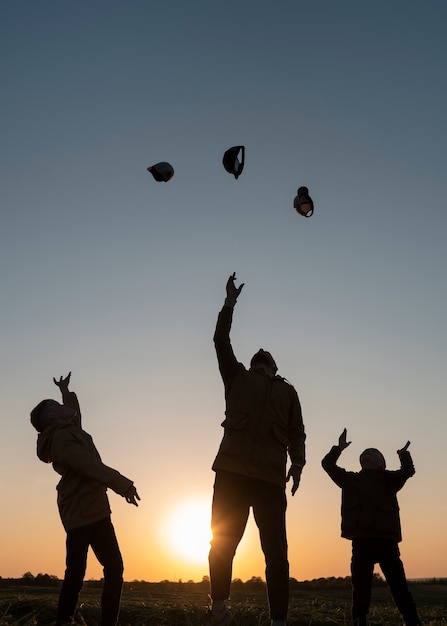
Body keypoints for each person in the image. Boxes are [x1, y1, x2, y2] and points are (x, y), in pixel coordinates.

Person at [204, 273, 306, 626]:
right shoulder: (237, 377)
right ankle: (219, 610)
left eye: (268, 360)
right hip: (231, 472)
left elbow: (297, 432)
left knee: (276, 554)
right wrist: (229, 303)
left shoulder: (288, 393)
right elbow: (220, 340)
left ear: (275, 368)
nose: (262, 360)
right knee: (223, 544)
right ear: (251, 364)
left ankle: (278, 620)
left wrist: (299, 463)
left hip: (269, 479)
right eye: (257, 359)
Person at [30, 372, 140, 626]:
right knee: (78, 572)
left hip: (94, 507)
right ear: (52, 417)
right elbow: (88, 465)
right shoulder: (61, 438)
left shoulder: (68, 430)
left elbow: (73, 412)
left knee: (112, 568)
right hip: (80, 508)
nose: (66, 408)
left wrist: (65, 392)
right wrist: (123, 485)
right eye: (59, 407)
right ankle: (63, 620)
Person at [321, 429, 421, 626]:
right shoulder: (350, 480)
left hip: (387, 544)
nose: (367, 452)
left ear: (382, 464)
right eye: (365, 452)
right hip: (361, 544)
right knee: (360, 590)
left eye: (373, 452)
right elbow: (327, 464)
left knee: (399, 588)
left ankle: (413, 623)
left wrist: (403, 454)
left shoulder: (390, 479)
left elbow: (408, 470)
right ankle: (360, 622)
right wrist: (338, 448)